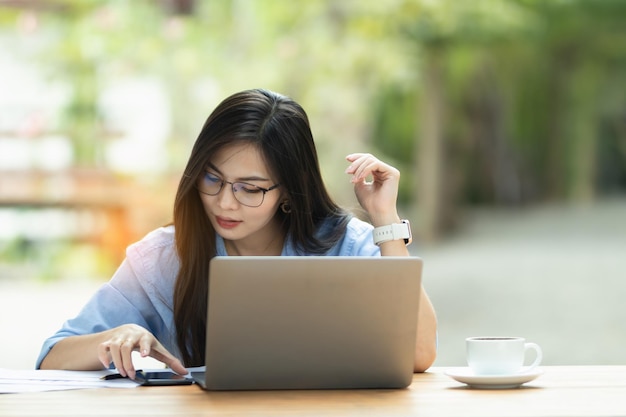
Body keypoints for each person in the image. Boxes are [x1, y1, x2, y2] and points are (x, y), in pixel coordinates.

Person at [37, 88, 437, 377]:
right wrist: (116, 335)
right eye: (213, 179)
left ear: (288, 191)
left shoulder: (345, 243)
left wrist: (385, 217)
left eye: (250, 188)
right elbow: (52, 355)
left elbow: (419, 354)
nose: (225, 202)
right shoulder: (163, 257)